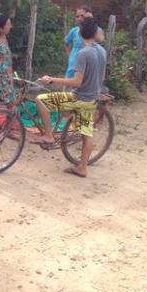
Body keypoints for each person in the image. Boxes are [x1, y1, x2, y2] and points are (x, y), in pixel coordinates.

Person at [35, 17, 106, 178]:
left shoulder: (83, 53)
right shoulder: (102, 51)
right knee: (87, 133)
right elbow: (101, 77)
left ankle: (48, 136)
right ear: (95, 33)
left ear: (80, 34)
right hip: (92, 99)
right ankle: (82, 167)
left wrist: (52, 79)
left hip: (79, 98)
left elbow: (77, 82)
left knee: (40, 100)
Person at [64, 5, 105, 79]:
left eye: (82, 16)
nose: (79, 18)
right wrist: (70, 56)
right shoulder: (74, 31)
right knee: (68, 88)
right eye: (77, 16)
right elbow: (66, 43)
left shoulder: (96, 30)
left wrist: (91, 23)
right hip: (72, 68)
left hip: (87, 69)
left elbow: (100, 39)